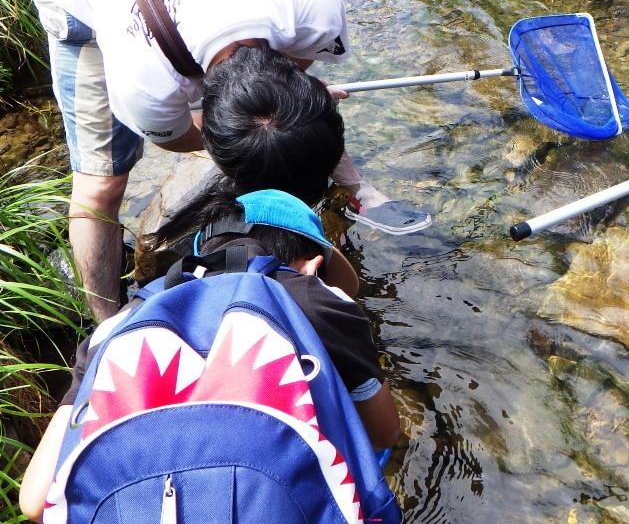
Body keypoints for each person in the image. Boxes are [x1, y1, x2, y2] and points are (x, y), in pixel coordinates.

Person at [29, 0, 427, 322]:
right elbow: (178, 136)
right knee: (100, 186)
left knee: (287, 119)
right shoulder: (144, 88)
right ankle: (106, 325)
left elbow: (287, 103)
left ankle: (358, 187)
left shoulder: (313, 11)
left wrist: (291, 109)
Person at [18, 188, 400, 522]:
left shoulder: (118, 324)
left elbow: (35, 501)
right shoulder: (316, 299)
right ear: (311, 266)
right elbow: (385, 432)